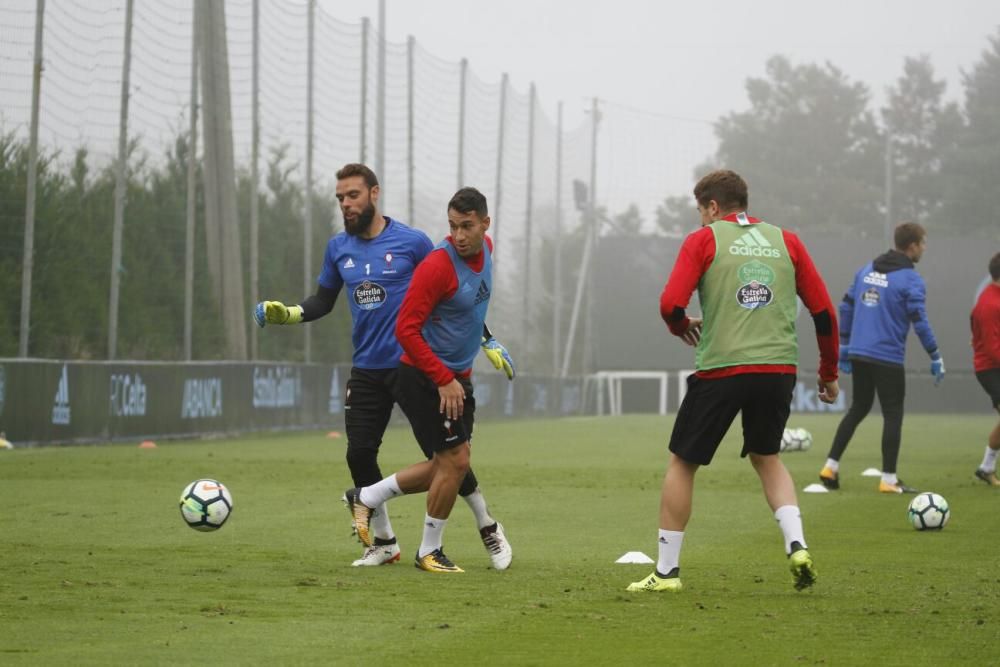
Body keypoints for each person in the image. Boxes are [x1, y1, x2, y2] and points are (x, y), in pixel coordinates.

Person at [253, 165, 513, 569]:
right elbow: (322, 301)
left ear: (374, 194)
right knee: (360, 454)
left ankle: (485, 524)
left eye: (353, 195)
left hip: (414, 365)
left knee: (447, 457)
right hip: (369, 367)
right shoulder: (338, 248)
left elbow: (455, 293)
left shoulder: (413, 242)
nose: (345, 204)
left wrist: (486, 338)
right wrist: (287, 313)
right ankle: (384, 541)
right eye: (340, 198)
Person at [627, 169, 839, 593]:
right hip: (778, 369)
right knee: (768, 457)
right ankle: (797, 544)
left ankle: (667, 572)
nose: (701, 220)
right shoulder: (788, 241)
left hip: (723, 368)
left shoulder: (704, 240)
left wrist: (680, 326)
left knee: (683, 463)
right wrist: (829, 374)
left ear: (712, 206)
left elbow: (670, 303)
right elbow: (824, 314)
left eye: (701, 212)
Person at [345, 186, 499, 573]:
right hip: (423, 376)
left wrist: (489, 340)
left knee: (450, 465)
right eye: (452, 227)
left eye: (466, 226)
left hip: (457, 378)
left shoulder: (488, 251)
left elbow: (470, 312)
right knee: (456, 459)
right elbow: (406, 330)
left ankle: (365, 496)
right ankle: (428, 551)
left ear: (485, 224)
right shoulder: (437, 265)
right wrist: (443, 379)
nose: (459, 235)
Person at [818, 222, 943, 494]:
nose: (924, 248)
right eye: (922, 243)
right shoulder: (911, 280)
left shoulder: (867, 270)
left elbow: (846, 305)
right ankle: (888, 479)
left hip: (861, 353)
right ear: (911, 247)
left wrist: (846, 345)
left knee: (859, 408)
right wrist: (934, 355)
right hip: (887, 357)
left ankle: (830, 466)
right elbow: (919, 321)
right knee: (893, 413)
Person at [972, 252, 1000, 486]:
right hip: (991, 369)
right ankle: (986, 466)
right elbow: (992, 349)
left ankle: (986, 466)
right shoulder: (990, 303)